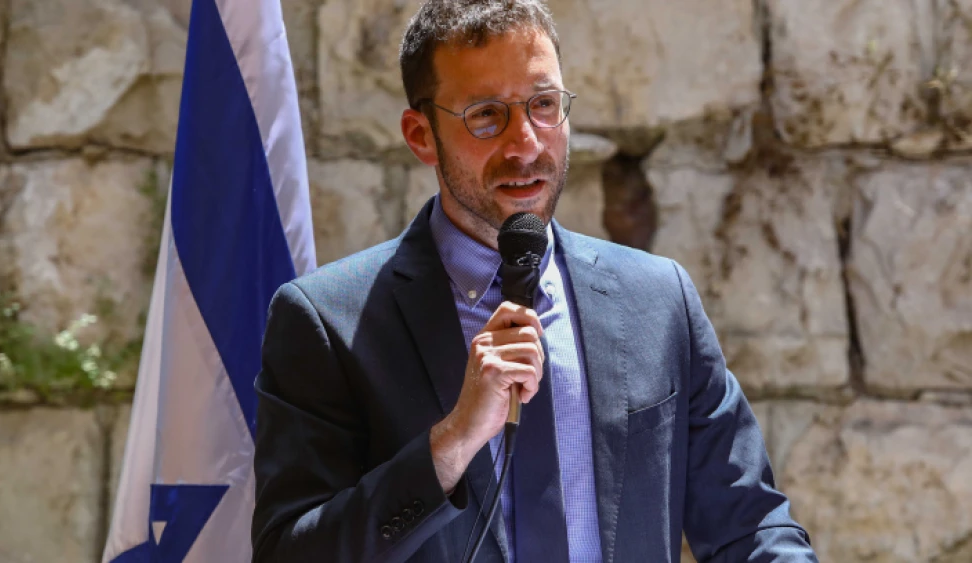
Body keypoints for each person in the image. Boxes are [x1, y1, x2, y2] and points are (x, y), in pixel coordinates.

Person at [251, 1, 818, 561]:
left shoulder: (658, 298)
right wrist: (452, 443)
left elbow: (753, 527)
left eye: (544, 105)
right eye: (486, 115)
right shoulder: (326, 321)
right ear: (421, 135)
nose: (525, 144)